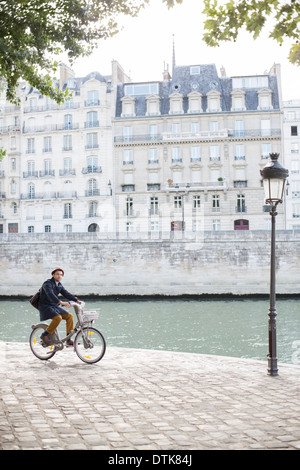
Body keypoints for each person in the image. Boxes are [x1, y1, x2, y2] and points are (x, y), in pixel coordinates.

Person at [39, 267, 81, 347]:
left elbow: (66, 293)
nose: (59, 276)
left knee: (69, 316)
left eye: (61, 275)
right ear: (53, 275)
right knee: (58, 318)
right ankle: (44, 335)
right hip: (45, 306)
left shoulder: (59, 285)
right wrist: (61, 302)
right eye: (57, 274)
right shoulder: (47, 284)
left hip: (53, 306)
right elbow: (50, 294)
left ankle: (68, 341)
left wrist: (76, 300)